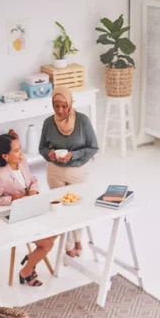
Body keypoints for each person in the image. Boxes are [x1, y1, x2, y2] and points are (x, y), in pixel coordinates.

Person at [0, 130, 56, 287]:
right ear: (5, 156)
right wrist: (11, 199)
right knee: (48, 244)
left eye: (20, 148)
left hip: (31, 209)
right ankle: (26, 271)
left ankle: (32, 258)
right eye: (16, 151)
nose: (21, 154)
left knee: (59, 228)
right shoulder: (0, 176)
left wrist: (33, 192)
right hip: (18, 219)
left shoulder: (22, 163)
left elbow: (32, 180)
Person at [39, 86, 98, 257]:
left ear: (71, 103)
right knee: (60, 211)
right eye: (56, 106)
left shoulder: (82, 121)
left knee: (77, 208)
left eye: (64, 106)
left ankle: (78, 239)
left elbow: (93, 148)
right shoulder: (48, 123)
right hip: (54, 172)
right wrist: (49, 154)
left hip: (77, 171)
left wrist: (73, 155)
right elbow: (42, 147)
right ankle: (68, 245)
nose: (60, 110)